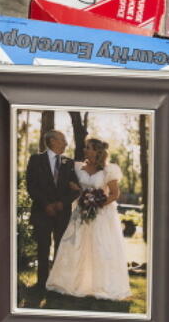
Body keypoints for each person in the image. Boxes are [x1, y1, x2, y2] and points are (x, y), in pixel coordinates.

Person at [46, 138, 131, 301]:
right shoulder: (78, 167)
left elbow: (114, 194)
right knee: (76, 245)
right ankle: (72, 284)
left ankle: (102, 286)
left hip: (102, 215)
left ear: (97, 151)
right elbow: (71, 187)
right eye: (85, 147)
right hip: (81, 213)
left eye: (88, 148)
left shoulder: (109, 170)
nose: (85, 150)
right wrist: (78, 191)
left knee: (101, 248)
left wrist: (97, 204)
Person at [24, 129, 78, 290]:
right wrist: (46, 204)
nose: (66, 143)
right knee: (43, 247)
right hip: (42, 211)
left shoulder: (69, 163)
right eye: (63, 140)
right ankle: (41, 283)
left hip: (63, 213)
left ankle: (57, 282)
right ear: (52, 141)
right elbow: (31, 186)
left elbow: (76, 190)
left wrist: (62, 203)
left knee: (61, 248)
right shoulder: (35, 160)